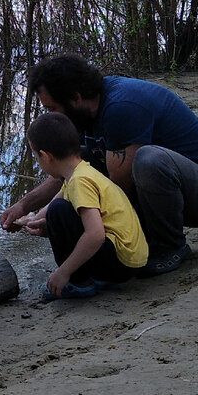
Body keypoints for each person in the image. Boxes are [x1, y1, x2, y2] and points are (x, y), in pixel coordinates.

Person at [1, 53, 198, 276]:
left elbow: (118, 186)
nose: (52, 115)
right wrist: (27, 208)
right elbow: (67, 172)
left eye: (52, 108)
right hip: (171, 194)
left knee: (148, 160)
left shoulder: (120, 107)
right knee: (91, 167)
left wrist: (77, 219)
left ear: (76, 97)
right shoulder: (84, 114)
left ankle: (170, 247)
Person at [19, 111, 148, 299]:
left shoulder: (80, 182)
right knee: (57, 210)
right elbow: (59, 197)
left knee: (58, 212)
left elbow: (95, 235)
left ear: (45, 156)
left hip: (121, 263)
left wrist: (63, 272)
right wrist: (31, 219)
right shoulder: (81, 171)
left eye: (36, 158)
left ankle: (77, 282)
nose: (39, 163)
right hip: (132, 258)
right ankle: (87, 275)